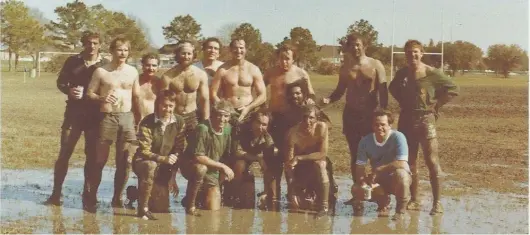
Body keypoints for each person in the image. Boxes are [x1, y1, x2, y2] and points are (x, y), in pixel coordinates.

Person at [389, 39, 459, 215]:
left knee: (432, 161)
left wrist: (436, 105)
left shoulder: (431, 72)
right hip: (406, 119)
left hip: (426, 120)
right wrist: (404, 101)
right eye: (409, 52)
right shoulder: (402, 73)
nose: (412, 55)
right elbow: (392, 88)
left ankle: (437, 203)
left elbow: (452, 89)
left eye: (415, 52)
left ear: (421, 53)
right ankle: (414, 199)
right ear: (405, 54)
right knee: (410, 162)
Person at [320, 33, 388, 204]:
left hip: (370, 115)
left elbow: (383, 92)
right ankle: (358, 192)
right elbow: (339, 91)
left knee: (375, 155)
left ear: (364, 46)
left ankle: (379, 194)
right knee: (355, 155)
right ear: (348, 48)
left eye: (358, 45)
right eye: (352, 45)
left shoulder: (375, 65)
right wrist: (328, 99)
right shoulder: (345, 68)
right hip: (351, 115)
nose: (356, 48)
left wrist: (382, 112)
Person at [45, 31, 106, 206]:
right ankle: (56, 194)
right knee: (64, 153)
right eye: (88, 43)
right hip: (73, 114)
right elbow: (61, 82)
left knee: (92, 156)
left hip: (95, 117)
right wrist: (68, 90)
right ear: (83, 43)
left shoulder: (105, 64)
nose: (92, 46)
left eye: (95, 43)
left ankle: (88, 194)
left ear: (100, 44)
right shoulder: (73, 61)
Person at [86, 36, 140, 211]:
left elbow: (136, 97)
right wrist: (102, 98)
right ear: (111, 51)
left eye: (125, 50)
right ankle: (91, 195)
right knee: (99, 160)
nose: (122, 53)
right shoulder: (101, 72)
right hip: (107, 117)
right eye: (119, 49)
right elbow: (89, 94)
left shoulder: (133, 71)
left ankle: (117, 197)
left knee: (125, 161)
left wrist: (138, 120)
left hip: (126, 118)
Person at [262, 44, 317, 202]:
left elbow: (311, 94)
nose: (284, 62)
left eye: (287, 58)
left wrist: (309, 104)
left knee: (292, 157)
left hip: (294, 121)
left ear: (293, 59)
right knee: (274, 156)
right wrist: (262, 108)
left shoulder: (301, 73)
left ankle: (296, 192)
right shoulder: (271, 72)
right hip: (276, 119)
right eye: (281, 58)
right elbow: (259, 89)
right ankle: (273, 195)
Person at [132, 90, 186, 220]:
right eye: (164, 105)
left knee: (160, 208)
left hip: (164, 166)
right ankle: (143, 209)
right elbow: (144, 150)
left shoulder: (179, 121)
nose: (167, 109)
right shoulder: (147, 121)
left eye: (171, 106)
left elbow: (179, 149)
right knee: (150, 165)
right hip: (143, 162)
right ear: (157, 105)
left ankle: (133, 193)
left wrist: (172, 176)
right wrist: (164, 159)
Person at [351, 110, 411, 220]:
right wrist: (363, 182)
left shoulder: (398, 137)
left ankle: (401, 211)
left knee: (402, 175)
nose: (379, 128)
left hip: (395, 177)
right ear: (372, 126)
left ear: (390, 125)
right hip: (378, 179)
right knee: (356, 189)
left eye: (383, 124)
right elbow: (359, 167)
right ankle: (383, 203)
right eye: (376, 125)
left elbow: (402, 163)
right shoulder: (365, 141)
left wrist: (379, 170)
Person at [179, 100, 235, 216]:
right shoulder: (202, 128)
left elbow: (226, 155)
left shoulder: (228, 128)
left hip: (212, 169)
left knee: (213, 211)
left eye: (226, 116)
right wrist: (222, 167)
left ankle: (199, 194)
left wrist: (223, 170)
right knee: (201, 169)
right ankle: (190, 206)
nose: (222, 119)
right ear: (212, 114)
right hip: (191, 165)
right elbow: (198, 157)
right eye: (219, 115)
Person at [284, 105, 331, 217]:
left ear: (317, 119)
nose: (307, 121)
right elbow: (289, 165)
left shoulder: (322, 127)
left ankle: (324, 206)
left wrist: (299, 157)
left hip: (317, 164)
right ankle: (301, 192)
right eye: (305, 117)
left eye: (311, 118)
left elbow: (322, 153)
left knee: (320, 164)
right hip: (301, 169)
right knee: (300, 204)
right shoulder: (292, 133)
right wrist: (292, 191)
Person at [210, 39, 267, 125]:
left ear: (245, 49)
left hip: (248, 112)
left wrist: (248, 108)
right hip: (227, 114)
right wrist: (225, 109)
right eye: (235, 48)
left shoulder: (253, 69)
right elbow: (213, 93)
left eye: (241, 48)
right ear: (230, 49)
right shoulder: (222, 69)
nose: (238, 51)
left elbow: (263, 95)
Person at [160, 40, 210, 137]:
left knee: (196, 145)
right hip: (173, 115)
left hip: (192, 115)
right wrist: (163, 120)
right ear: (177, 54)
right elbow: (162, 100)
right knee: (173, 147)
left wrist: (206, 120)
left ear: (193, 55)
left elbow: (205, 99)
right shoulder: (167, 76)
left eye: (189, 54)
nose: (186, 57)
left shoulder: (200, 74)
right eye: (183, 53)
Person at [227, 110, 275, 208]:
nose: (260, 127)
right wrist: (258, 158)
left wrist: (265, 192)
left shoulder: (267, 139)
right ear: (252, 121)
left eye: (264, 124)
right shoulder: (241, 129)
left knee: (249, 203)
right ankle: (232, 194)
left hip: (247, 166)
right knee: (240, 164)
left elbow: (268, 168)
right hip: (229, 162)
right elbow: (236, 152)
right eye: (258, 122)